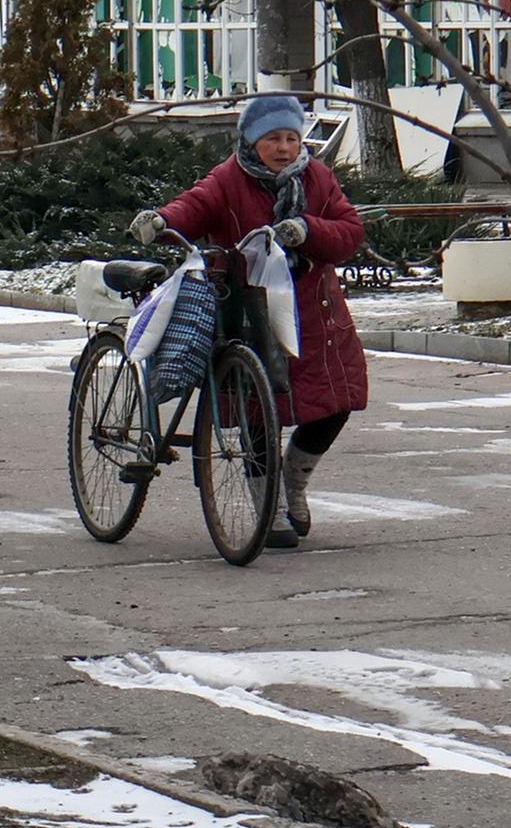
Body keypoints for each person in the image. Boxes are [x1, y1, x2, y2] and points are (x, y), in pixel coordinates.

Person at [129, 94, 368, 551]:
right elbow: (193, 207)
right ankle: (269, 498)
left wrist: (309, 229)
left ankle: (292, 481)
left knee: (339, 400)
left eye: (292, 138)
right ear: (251, 141)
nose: (283, 148)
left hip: (314, 315)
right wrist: (160, 220)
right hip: (248, 311)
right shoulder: (228, 179)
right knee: (260, 408)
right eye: (273, 139)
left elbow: (350, 231)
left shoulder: (317, 178)